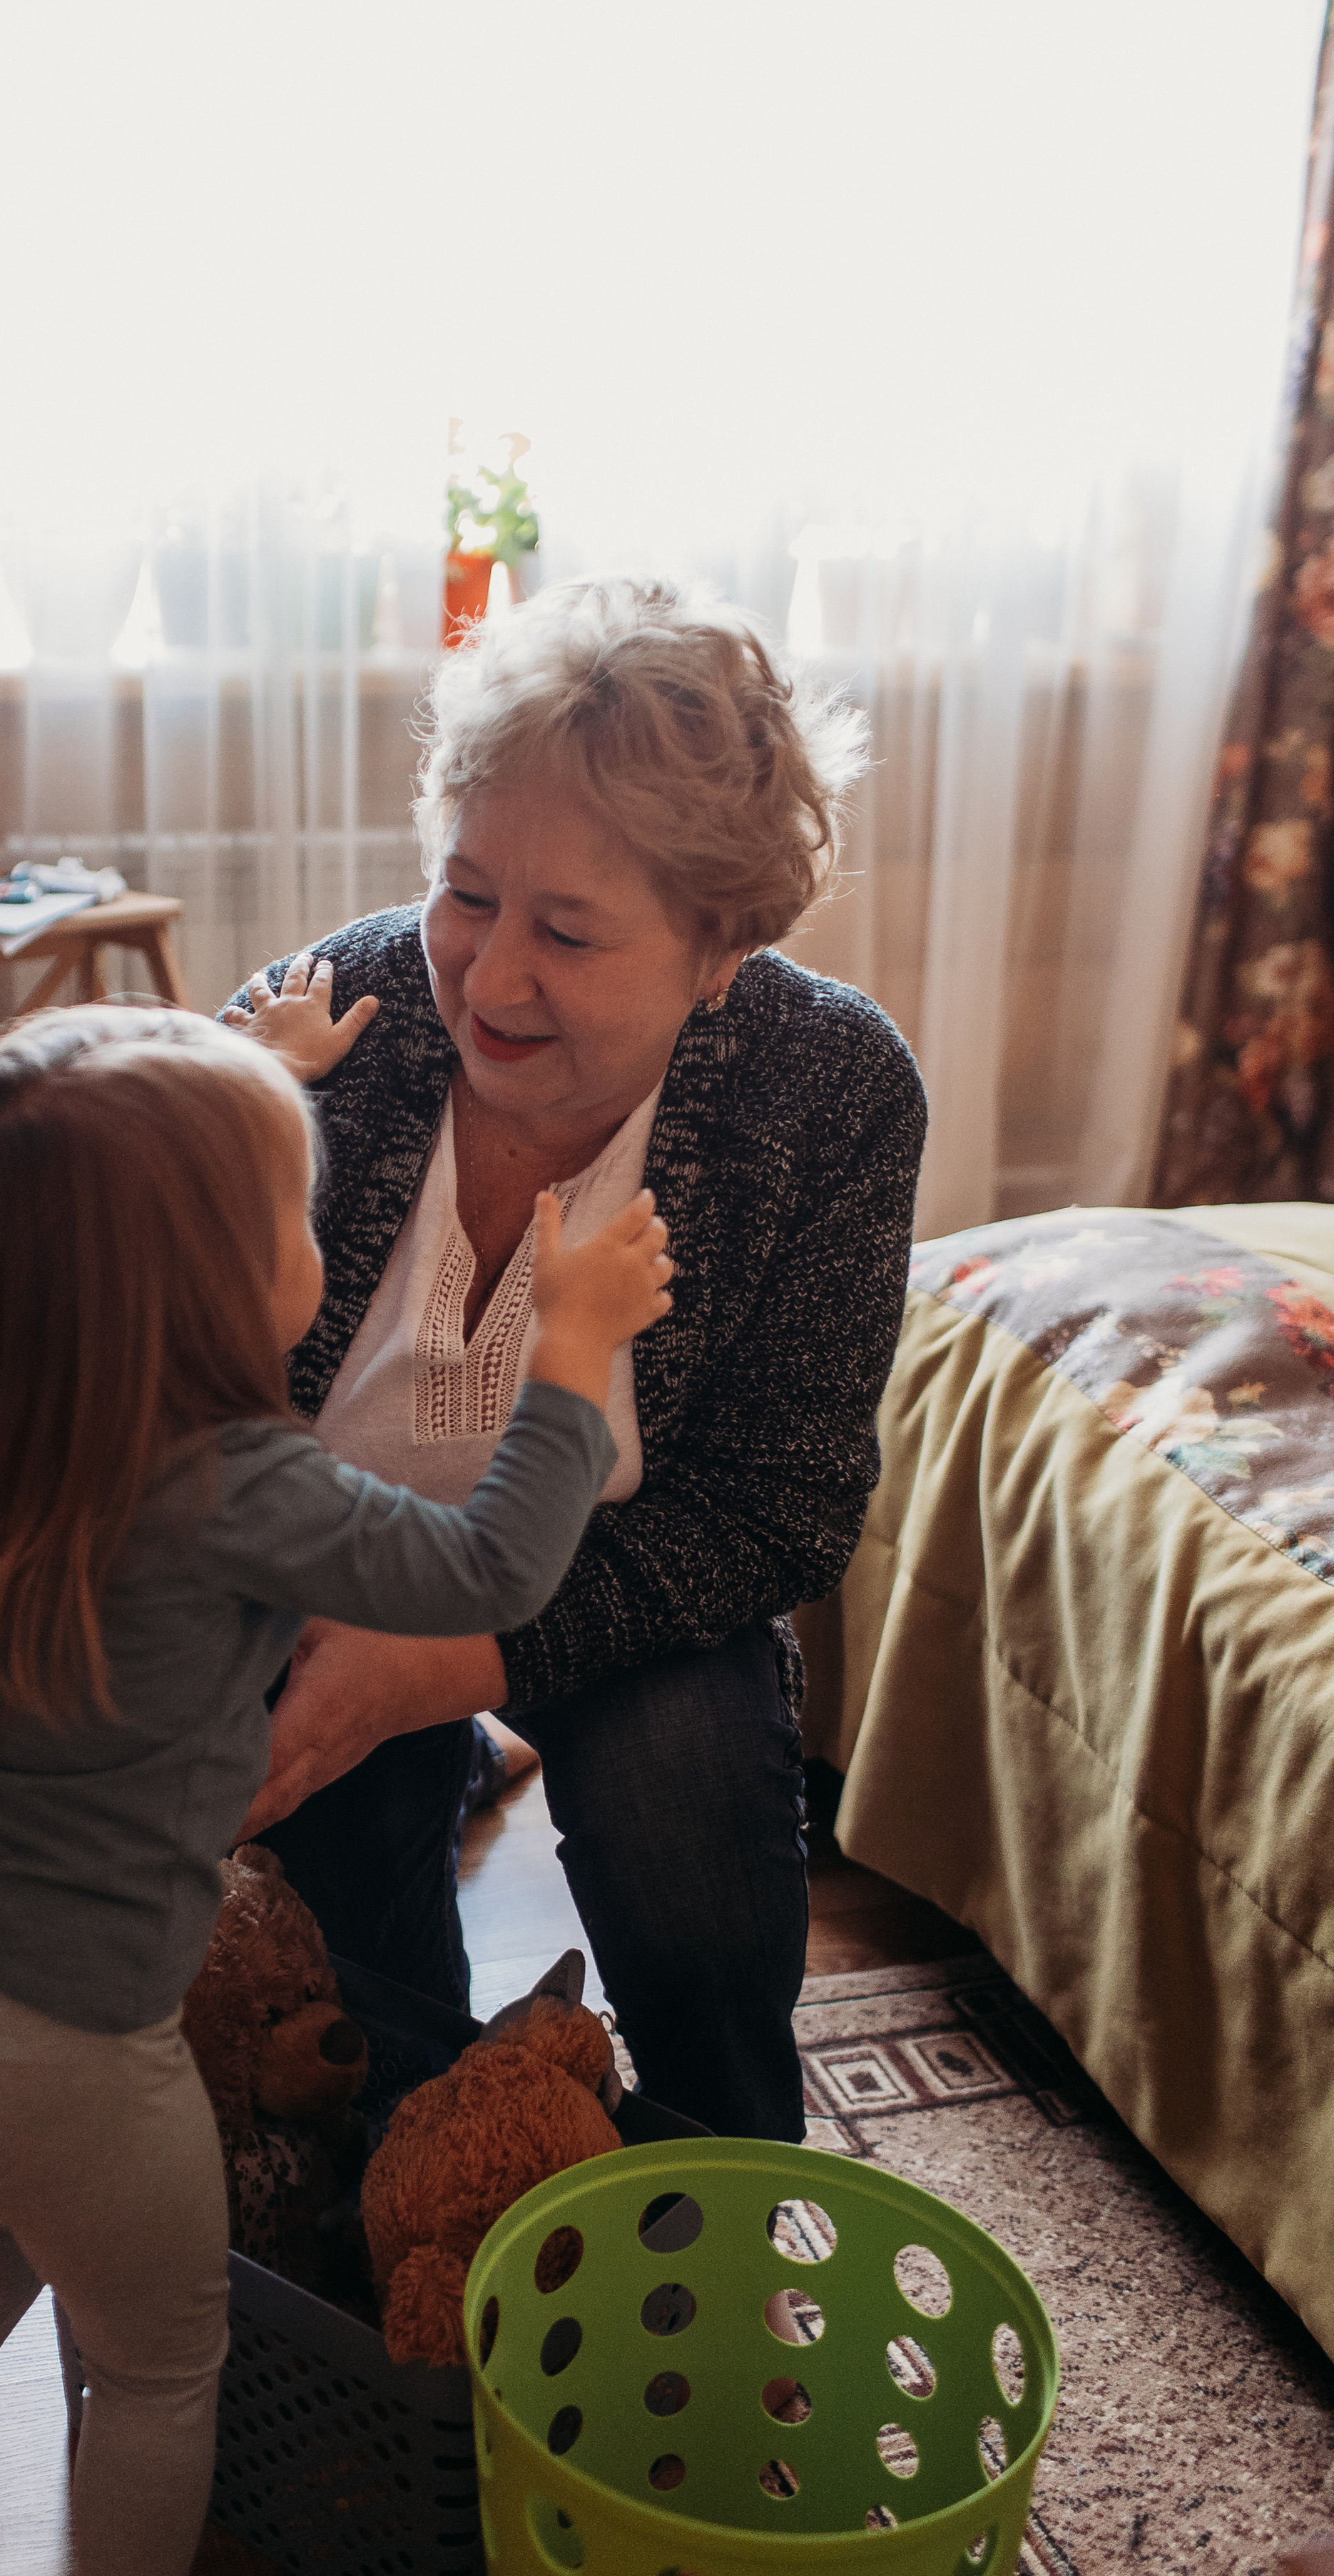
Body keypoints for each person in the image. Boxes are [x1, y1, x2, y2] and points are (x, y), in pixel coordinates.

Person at [0, 1002, 676, 2576]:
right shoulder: (249, 1484)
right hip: (71, 2061)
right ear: (207, 1293)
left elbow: (72, 1184)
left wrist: (259, 1072)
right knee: (159, 2365)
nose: (320, 1239)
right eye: (291, 1216)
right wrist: (563, 1353)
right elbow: (491, 1574)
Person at [216, 576, 927, 2144]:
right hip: (305, 1571)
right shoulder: (331, 1025)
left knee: (685, 1790)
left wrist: (440, 1673)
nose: (485, 977)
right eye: (466, 895)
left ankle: (730, 2200)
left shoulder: (828, 1096)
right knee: (340, 2025)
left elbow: (778, 1511)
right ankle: (396, 2212)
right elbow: (133, 1377)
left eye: (567, 930)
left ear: (716, 947)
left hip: (613, 1590)